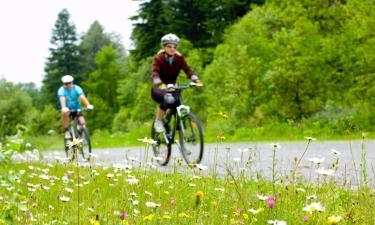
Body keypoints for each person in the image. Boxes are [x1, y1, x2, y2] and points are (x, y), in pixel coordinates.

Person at [151, 33, 202, 132]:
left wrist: (196, 80)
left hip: (173, 87)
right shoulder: (159, 59)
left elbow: (188, 71)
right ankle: (158, 121)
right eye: (169, 46)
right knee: (168, 99)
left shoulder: (179, 59)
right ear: (164, 47)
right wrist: (159, 83)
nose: (172, 49)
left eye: (174, 46)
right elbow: (155, 73)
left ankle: (178, 127)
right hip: (159, 88)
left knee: (177, 101)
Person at [57, 75, 93, 139]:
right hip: (66, 109)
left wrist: (88, 105)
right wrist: (64, 107)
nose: (68, 85)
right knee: (64, 113)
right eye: (66, 83)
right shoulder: (61, 90)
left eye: (69, 83)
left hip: (76, 108)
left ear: (72, 82)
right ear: (64, 84)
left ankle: (82, 138)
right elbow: (62, 99)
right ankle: (66, 131)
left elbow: (82, 97)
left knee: (82, 122)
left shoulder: (77, 88)